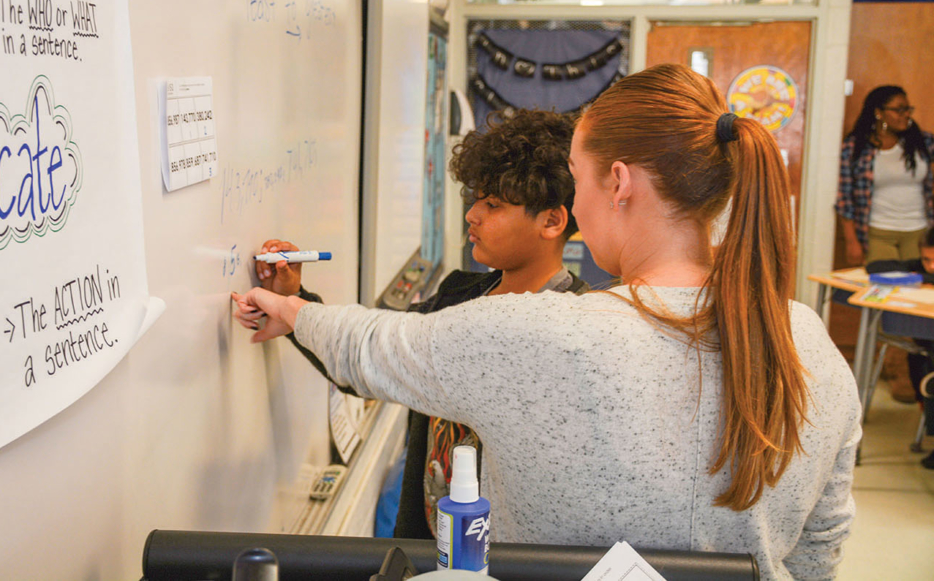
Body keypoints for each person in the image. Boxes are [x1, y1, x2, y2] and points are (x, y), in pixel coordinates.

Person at [234, 64, 861, 580]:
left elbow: (372, 347)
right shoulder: (809, 340)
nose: (580, 205)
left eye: (581, 181)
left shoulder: (545, 336)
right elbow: (818, 546)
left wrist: (289, 309)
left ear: (618, 183)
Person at [235, 108, 590, 539]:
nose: (471, 215)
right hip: (425, 553)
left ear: (551, 221)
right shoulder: (459, 294)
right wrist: (295, 304)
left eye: (493, 205)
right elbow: (371, 366)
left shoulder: (580, 325)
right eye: (475, 199)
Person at [837, 85, 933, 266]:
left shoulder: (922, 142)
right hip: (878, 233)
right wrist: (851, 242)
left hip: (919, 231)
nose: (906, 114)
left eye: (908, 109)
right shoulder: (855, 147)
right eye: (899, 109)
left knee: (915, 288)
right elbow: (844, 198)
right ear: (879, 112)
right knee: (883, 286)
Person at [866, 225, 934, 468]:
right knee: (918, 359)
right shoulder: (920, 266)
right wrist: (918, 274)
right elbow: (874, 268)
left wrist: (922, 276)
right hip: (926, 342)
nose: (931, 266)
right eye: (926, 259)